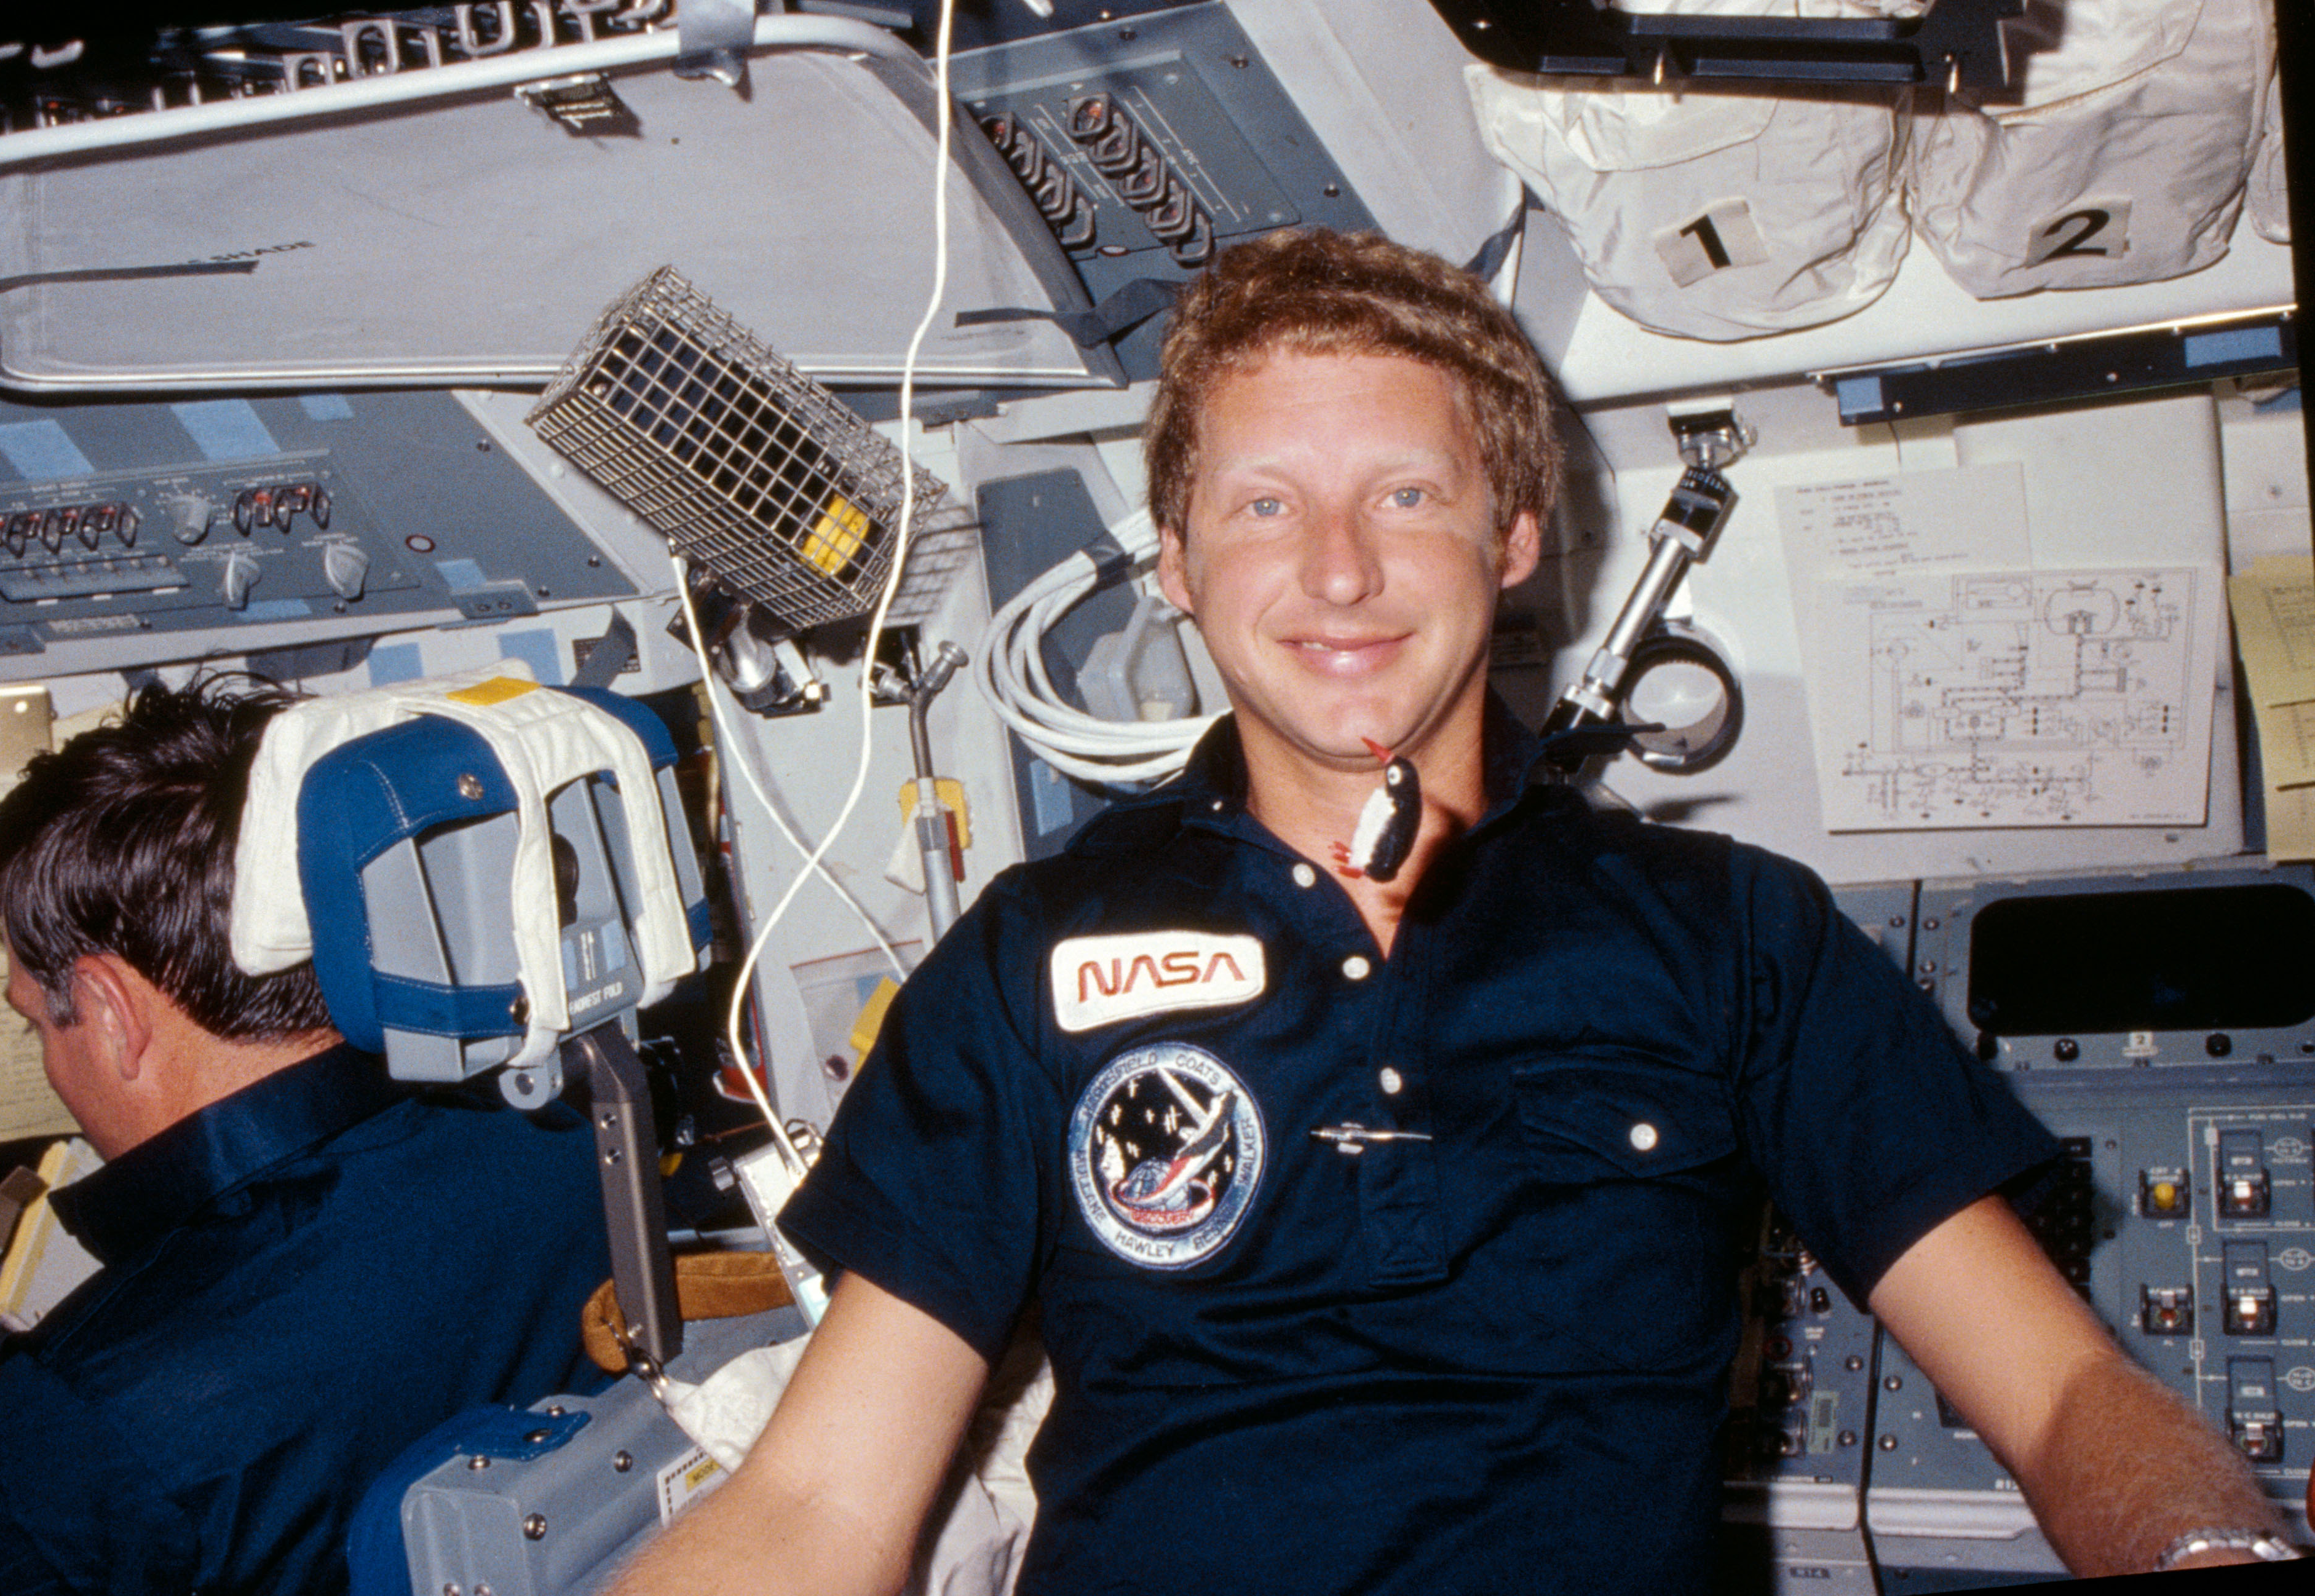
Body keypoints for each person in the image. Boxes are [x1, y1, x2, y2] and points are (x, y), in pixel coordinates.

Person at [605, 229, 2299, 1595]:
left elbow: (2067, 1390)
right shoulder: (1033, 950)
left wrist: (2208, 1541)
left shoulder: (1727, 933)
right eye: (1263, 503)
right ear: (1179, 561)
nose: (1336, 571)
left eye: (1403, 495)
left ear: (1511, 537)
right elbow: (824, 1502)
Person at [0, 678, 614, 1595]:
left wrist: (8, 1516)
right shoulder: (566, 1153)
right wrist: (3, 1507)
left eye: (38, 1025)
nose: (51, 1063)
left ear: (107, 1010)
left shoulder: (88, 1416)